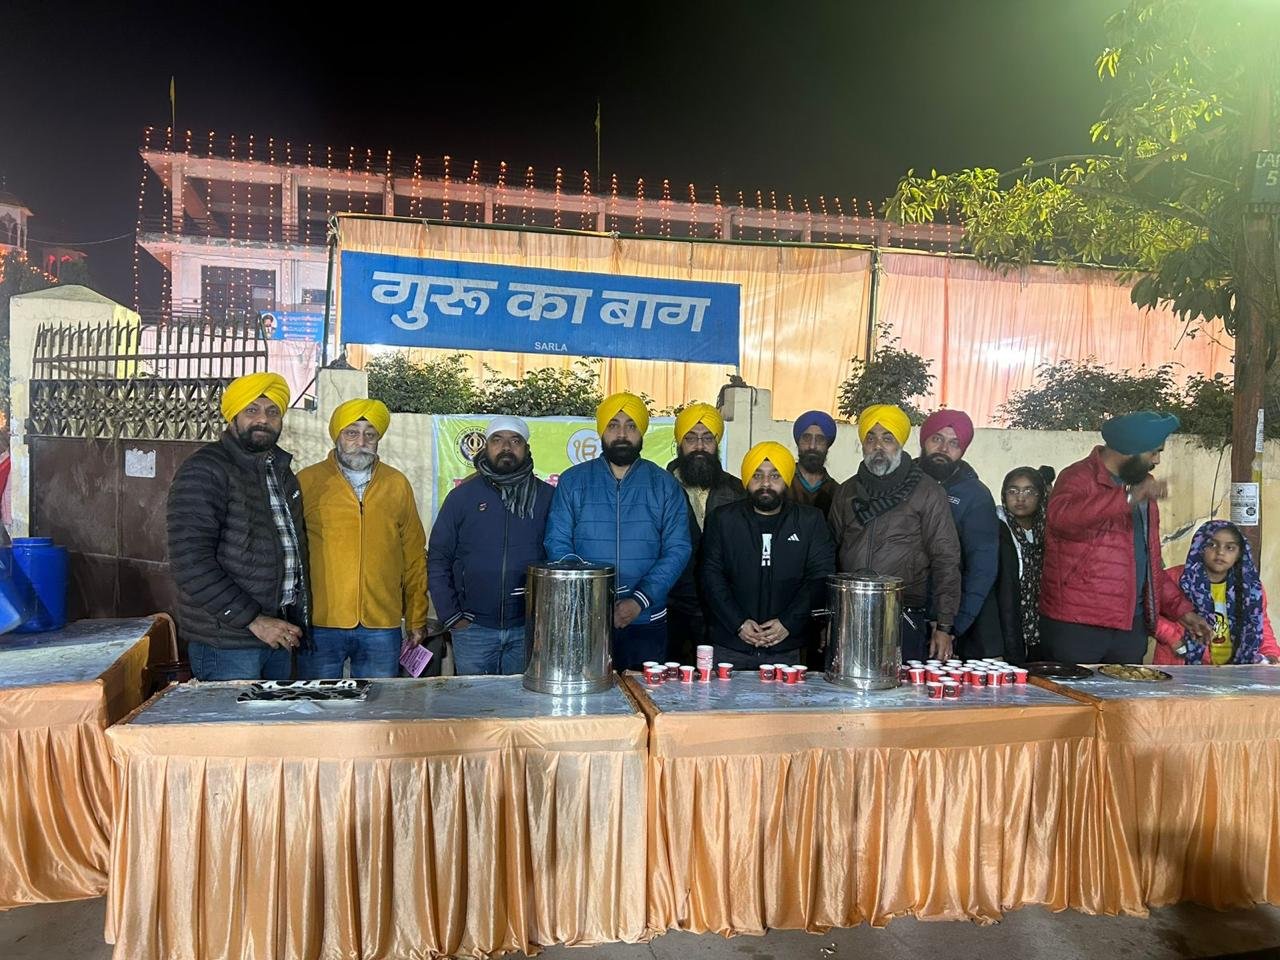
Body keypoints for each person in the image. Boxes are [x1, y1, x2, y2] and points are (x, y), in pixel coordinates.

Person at [166, 372, 309, 680]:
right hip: (228, 643)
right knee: (233, 714)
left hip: (278, 633)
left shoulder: (281, 472)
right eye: (251, 410)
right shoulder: (206, 469)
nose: (263, 419)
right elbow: (190, 562)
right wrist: (253, 620)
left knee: (275, 714)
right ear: (233, 416)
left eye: (272, 412)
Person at [1040, 411, 1214, 663]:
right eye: (1153, 452)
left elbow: (1149, 562)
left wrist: (1182, 611)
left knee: (1126, 690)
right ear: (1130, 451)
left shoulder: (1141, 486)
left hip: (1130, 626)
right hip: (1077, 625)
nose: (1157, 461)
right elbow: (1061, 520)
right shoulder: (1077, 477)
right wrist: (1128, 498)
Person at [544, 392, 692, 670]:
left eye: (631, 425)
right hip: (586, 617)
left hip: (646, 618)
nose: (622, 434)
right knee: (589, 695)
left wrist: (639, 600)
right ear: (602, 431)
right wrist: (590, 598)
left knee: (643, 694)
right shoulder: (573, 481)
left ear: (642, 432)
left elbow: (678, 549)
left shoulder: (664, 485)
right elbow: (557, 541)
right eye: (613, 425)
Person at [296, 399, 427, 678]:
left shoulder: (396, 484)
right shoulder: (308, 481)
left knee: (379, 703)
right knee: (319, 701)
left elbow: (414, 555)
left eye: (370, 434)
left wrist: (416, 616)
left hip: (381, 623)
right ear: (337, 436)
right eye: (351, 433)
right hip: (321, 623)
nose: (361, 442)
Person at [828, 404, 962, 661]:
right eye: (871, 438)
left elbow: (946, 558)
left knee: (900, 685)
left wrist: (944, 625)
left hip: (903, 615)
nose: (878, 446)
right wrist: (829, 616)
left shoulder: (927, 491)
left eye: (887, 438)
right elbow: (828, 556)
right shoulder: (846, 492)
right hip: (850, 614)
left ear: (900, 443)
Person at [429, 415, 553, 674]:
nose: (506, 447)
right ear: (486, 447)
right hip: (473, 629)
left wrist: (543, 619)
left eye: (515, 441)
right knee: (474, 698)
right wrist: (452, 616)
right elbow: (439, 557)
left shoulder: (547, 497)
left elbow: (559, 556)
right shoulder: (462, 497)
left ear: (527, 448)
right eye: (497, 440)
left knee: (520, 699)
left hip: (527, 628)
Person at [702, 442, 835, 669]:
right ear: (746, 479)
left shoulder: (810, 521)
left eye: (775, 475)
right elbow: (710, 575)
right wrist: (738, 623)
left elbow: (820, 577)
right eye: (757, 475)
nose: (765, 483)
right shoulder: (723, 519)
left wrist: (788, 623)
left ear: (786, 479)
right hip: (731, 643)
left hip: (787, 645)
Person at [918, 409, 1001, 657]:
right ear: (923, 440)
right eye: (937, 439)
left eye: (954, 443)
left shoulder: (975, 495)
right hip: (899, 614)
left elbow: (982, 567)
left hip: (950, 623)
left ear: (963, 450)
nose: (943, 449)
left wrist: (953, 625)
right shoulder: (902, 483)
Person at [665, 402, 745, 661]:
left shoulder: (737, 490)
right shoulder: (659, 487)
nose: (699, 446)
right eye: (691, 438)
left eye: (707, 438)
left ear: (716, 443)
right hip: (670, 606)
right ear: (680, 443)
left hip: (722, 610)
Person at [1154, 520, 1279, 665]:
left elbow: (1260, 624)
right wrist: (1172, 637)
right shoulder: (1175, 579)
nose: (1220, 552)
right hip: (1179, 665)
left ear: (1239, 553)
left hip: (1235, 669)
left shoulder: (1250, 587)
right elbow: (1148, 614)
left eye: (1230, 548)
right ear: (1199, 546)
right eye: (1212, 545)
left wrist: (1271, 654)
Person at [994, 466, 1053, 663]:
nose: (1020, 498)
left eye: (1029, 491)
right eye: (1013, 491)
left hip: (1041, 618)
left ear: (1041, 495)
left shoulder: (1048, 527)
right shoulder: (995, 524)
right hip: (1005, 616)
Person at [790, 411, 841, 517]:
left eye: (820, 439)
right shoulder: (782, 483)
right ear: (798, 442)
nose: (812, 446)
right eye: (806, 438)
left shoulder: (837, 492)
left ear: (827, 445)